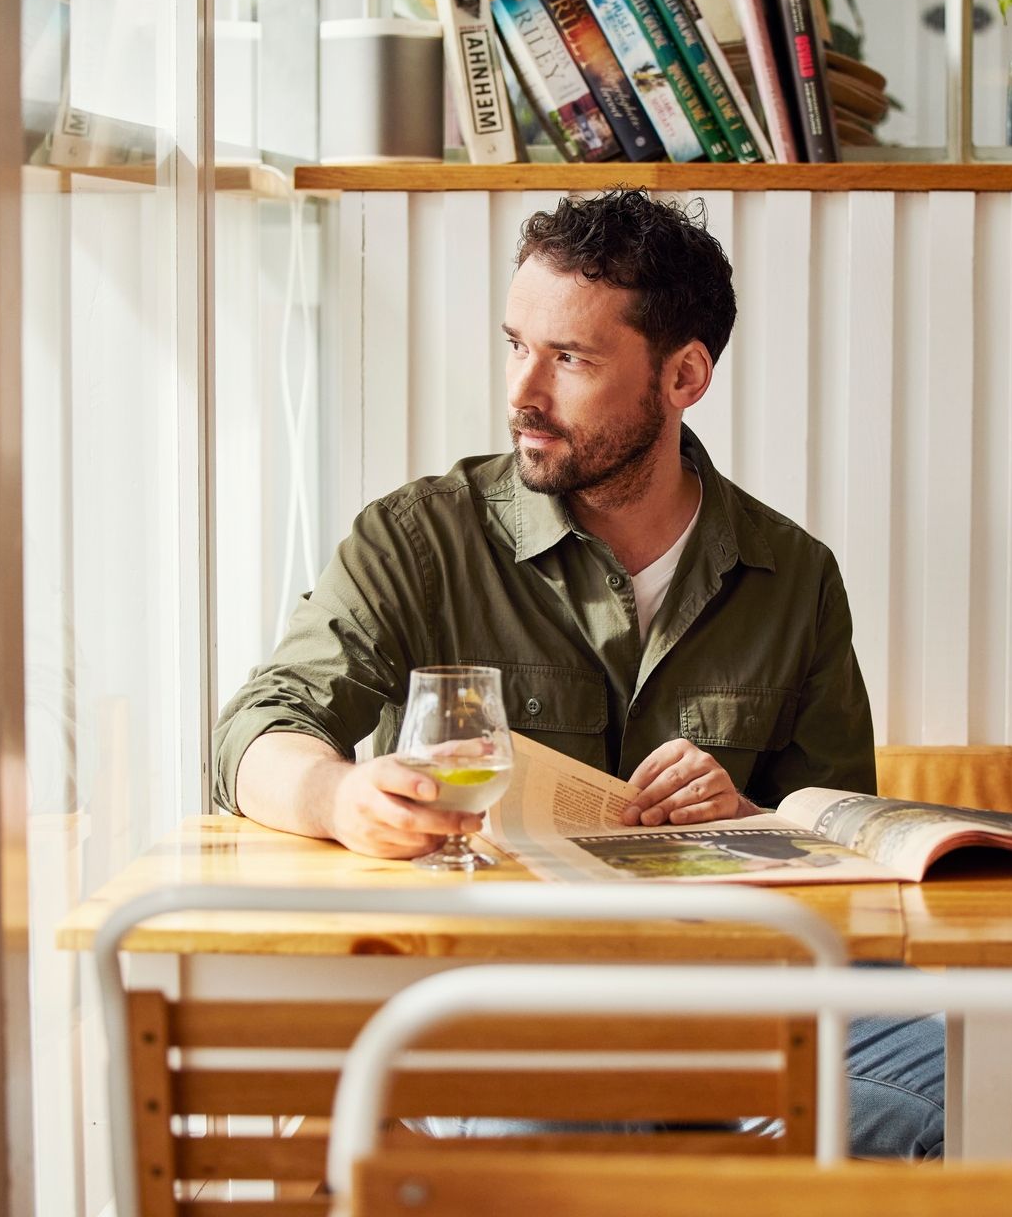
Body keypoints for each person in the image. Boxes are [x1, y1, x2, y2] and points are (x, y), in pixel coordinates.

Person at [212, 188, 943, 1160]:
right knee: (573, 1117)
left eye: (571, 359)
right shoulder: (418, 539)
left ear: (683, 375)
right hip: (498, 994)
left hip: (743, 994)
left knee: (991, 1092)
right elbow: (253, 730)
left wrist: (748, 822)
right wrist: (342, 793)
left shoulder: (793, 575)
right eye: (518, 344)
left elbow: (842, 842)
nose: (524, 391)